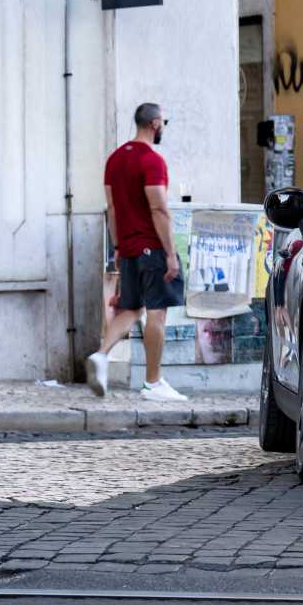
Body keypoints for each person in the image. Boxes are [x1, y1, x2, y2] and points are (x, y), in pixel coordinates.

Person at [87, 103, 187, 402]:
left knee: (130, 309)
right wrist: (170, 253)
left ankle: (101, 355)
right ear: (155, 124)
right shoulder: (152, 160)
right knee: (156, 312)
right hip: (152, 247)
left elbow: (112, 208)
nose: (163, 126)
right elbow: (158, 208)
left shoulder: (115, 160)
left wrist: (118, 246)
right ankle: (153, 383)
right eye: (163, 121)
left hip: (129, 248)